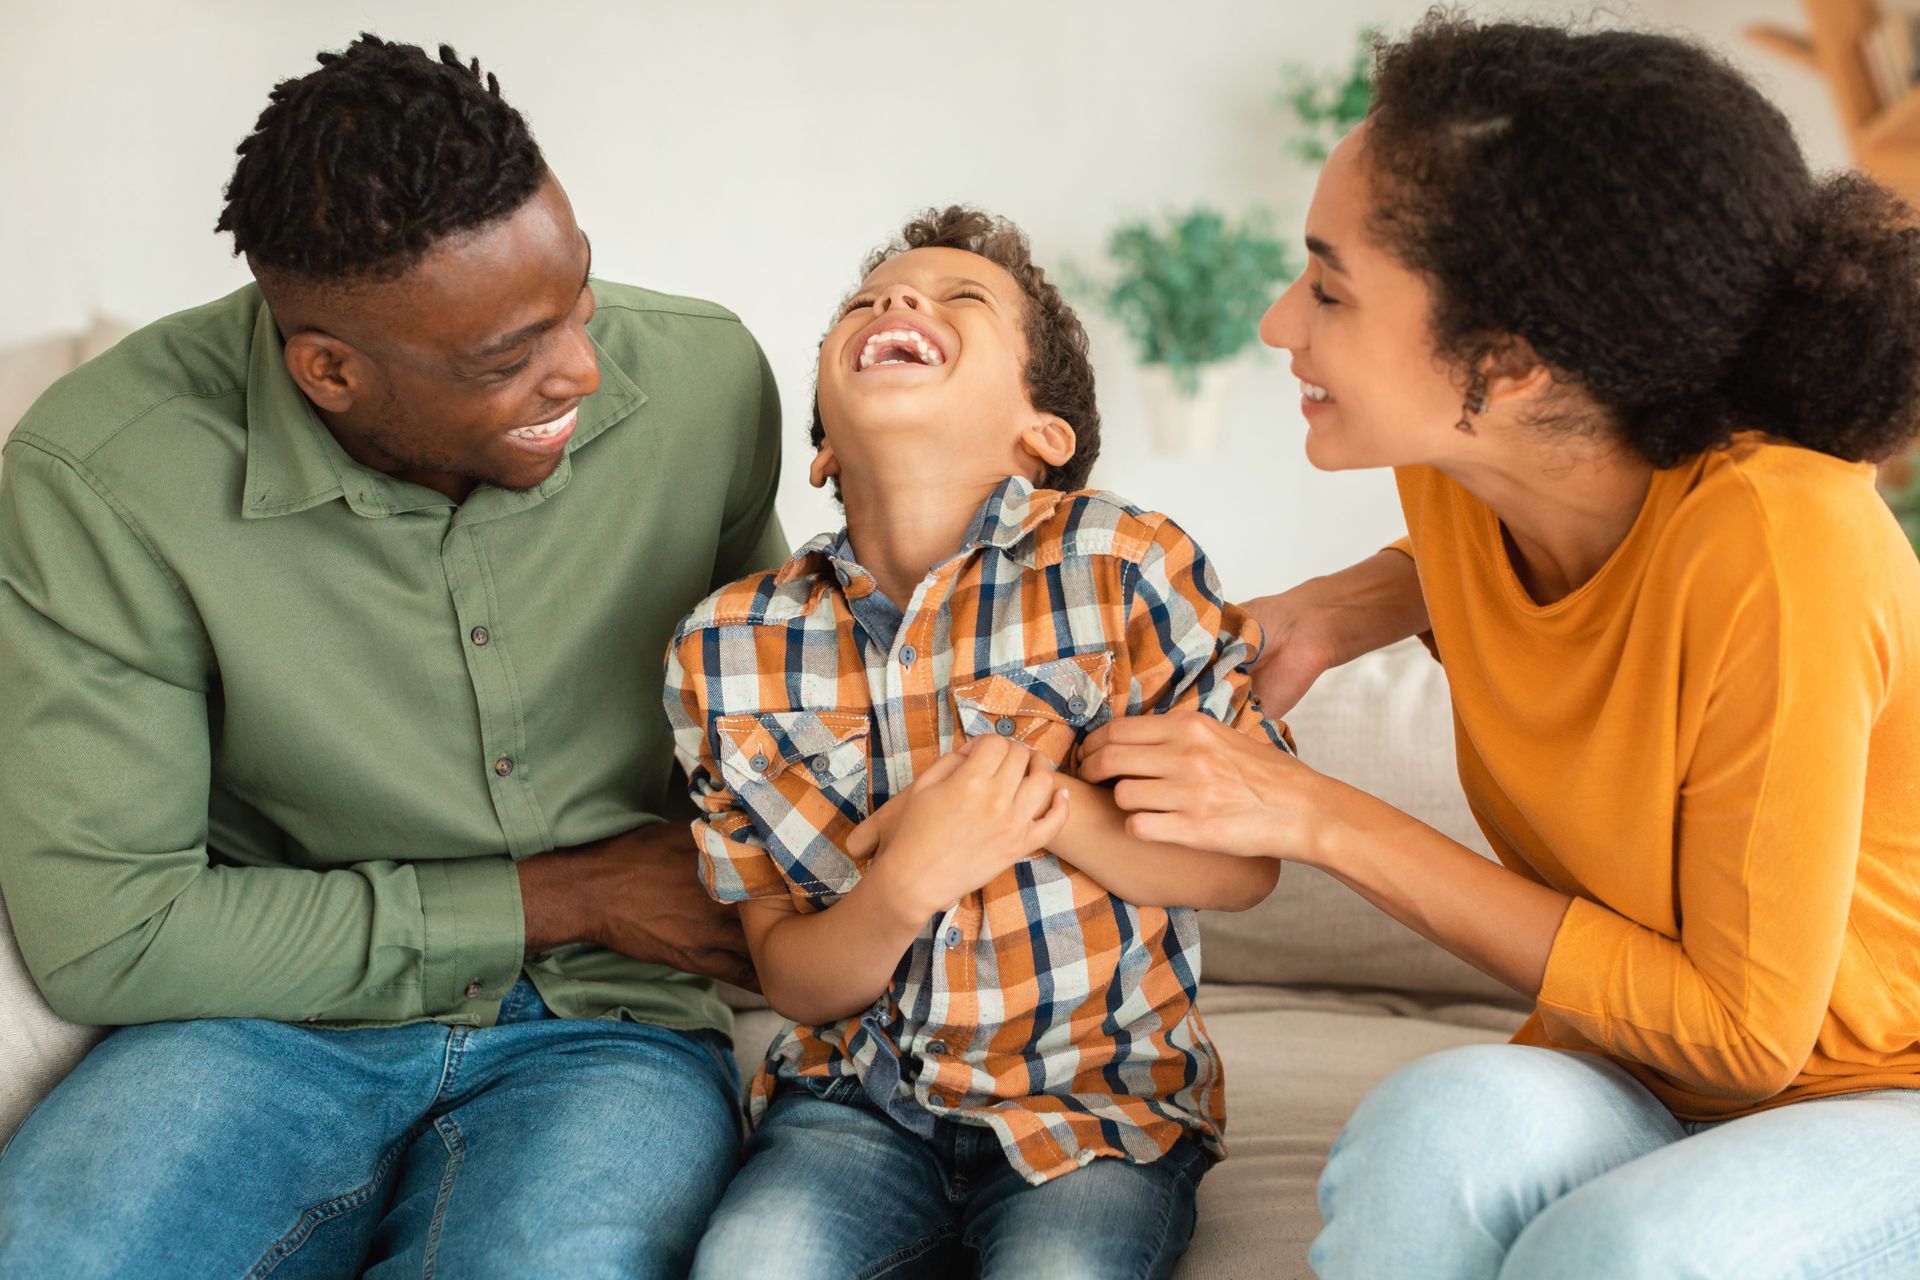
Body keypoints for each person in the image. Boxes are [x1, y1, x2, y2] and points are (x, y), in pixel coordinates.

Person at [1080, 14, 1920, 1278]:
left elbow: (1747, 1034)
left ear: (1511, 361)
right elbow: (1574, 584)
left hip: (1878, 1093)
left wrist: (1317, 815)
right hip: (1632, 1069)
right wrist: (1358, 595)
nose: (1277, 322)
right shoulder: (1469, 478)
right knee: (1427, 1132)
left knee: (1623, 1249)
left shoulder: (1787, 544)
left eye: (1329, 285)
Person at [0, 35, 783, 1279]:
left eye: (577, 294)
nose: (582, 364)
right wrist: (565, 894)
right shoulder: (103, 476)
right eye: (506, 358)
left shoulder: (707, 384)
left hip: (607, 1024)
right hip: (261, 1017)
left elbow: (787, 726)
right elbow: (111, 931)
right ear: (331, 371)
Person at [663, 207, 1291, 1279]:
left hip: (1097, 1109)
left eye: (961, 300)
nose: (898, 302)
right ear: (821, 445)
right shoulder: (724, 648)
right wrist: (908, 881)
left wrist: (1041, 805)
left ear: (1043, 436)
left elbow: (1246, 861)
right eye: (866, 302)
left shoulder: (1125, 565)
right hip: (849, 1107)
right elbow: (791, 975)